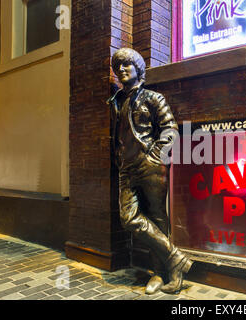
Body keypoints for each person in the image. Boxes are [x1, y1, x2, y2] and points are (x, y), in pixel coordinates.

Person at [107, 48, 192, 294]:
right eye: (118, 66)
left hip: (149, 165)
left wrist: (154, 156)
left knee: (157, 217)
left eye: (126, 64)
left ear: (138, 69)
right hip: (126, 168)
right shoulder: (116, 101)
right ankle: (175, 257)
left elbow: (170, 129)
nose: (121, 69)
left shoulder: (153, 98)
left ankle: (160, 274)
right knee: (129, 218)